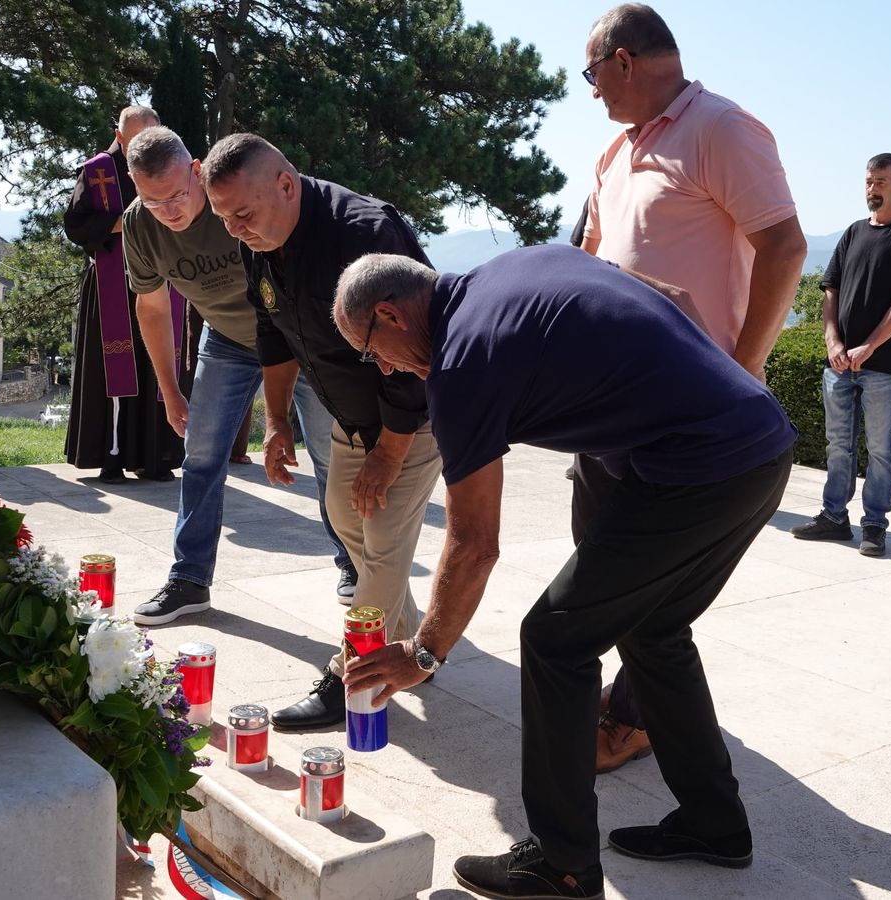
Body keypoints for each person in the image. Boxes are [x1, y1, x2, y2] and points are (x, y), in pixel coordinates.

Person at [336, 245, 796, 900]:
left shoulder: (461, 363)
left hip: (698, 470)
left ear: (390, 313)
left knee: (555, 640)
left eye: (370, 349)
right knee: (654, 630)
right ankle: (716, 824)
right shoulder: (521, 265)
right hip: (759, 442)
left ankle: (562, 865)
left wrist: (426, 650)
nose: (382, 366)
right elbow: (674, 294)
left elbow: (473, 544)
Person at [579, 3, 807, 773]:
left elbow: (785, 244)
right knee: (601, 561)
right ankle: (630, 699)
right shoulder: (614, 151)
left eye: (591, 74)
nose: (592, 92)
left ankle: (636, 718)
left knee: (651, 583)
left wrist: (742, 369)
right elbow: (589, 257)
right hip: (611, 404)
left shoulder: (721, 128)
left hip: (689, 409)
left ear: (624, 61)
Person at [202, 133, 441, 729]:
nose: (234, 230)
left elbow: (422, 341)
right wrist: (278, 421)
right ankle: (409, 638)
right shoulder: (256, 238)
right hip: (348, 418)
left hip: (415, 417)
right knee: (345, 520)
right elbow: (273, 331)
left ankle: (347, 679)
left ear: (286, 184)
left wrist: (389, 454)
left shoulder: (365, 232)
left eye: (243, 214)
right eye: (223, 217)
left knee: (382, 542)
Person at [118, 126, 355, 624]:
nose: (170, 212)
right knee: (200, 455)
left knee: (328, 455)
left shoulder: (240, 202)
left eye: (178, 195)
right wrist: (170, 390)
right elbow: (153, 309)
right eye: (153, 200)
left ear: (198, 171)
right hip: (226, 338)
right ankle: (189, 578)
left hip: (299, 336)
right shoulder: (140, 225)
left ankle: (354, 564)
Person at [790, 154, 891, 557]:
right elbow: (830, 289)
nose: (873, 189)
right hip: (838, 365)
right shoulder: (852, 233)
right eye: (869, 181)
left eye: (881, 182)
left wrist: (870, 346)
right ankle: (834, 518)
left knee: (881, 449)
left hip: (885, 366)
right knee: (838, 445)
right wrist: (832, 341)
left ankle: (874, 526)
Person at [63, 105, 186, 484]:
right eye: (135, 137)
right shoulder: (98, 170)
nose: (144, 145)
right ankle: (111, 456)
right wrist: (124, 222)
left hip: (164, 279)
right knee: (113, 371)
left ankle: (155, 456)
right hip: (111, 285)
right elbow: (76, 225)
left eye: (151, 135)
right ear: (119, 136)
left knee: (158, 366)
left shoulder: (174, 164)